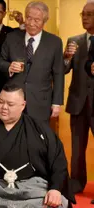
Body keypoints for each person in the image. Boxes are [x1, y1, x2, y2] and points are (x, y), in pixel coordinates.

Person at [0, 83, 75, 208]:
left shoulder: (40, 130)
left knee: (59, 202)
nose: (4, 107)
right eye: (1, 102)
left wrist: (55, 189)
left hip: (31, 187)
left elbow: (58, 162)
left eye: (10, 104)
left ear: (23, 105)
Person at [0, 1, 64, 124]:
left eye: (37, 20)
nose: (31, 23)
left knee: (37, 140)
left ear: (44, 21)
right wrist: (9, 67)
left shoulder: (54, 42)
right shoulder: (12, 37)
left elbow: (58, 73)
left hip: (41, 102)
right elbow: (0, 62)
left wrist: (56, 102)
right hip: (13, 101)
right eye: (28, 18)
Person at [63, 2, 94, 194]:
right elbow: (64, 69)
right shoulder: (74, 41)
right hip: (78, 104)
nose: (84, 17)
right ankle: (76, 184)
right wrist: (66, 57)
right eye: (83, 14)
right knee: (76, 149)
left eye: (89, 14)